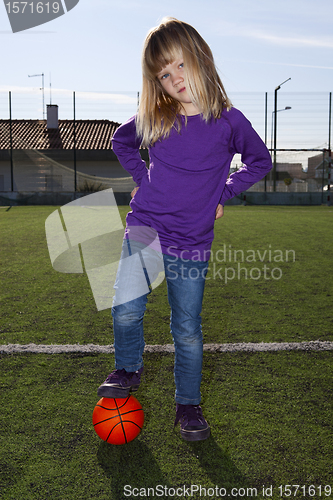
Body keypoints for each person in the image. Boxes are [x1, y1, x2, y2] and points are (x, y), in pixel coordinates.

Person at [98, 17, 272, 441]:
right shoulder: (157, 116)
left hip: (192, 241)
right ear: (155, 82)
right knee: (125, 308)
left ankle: (188, 406)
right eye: (163, 74)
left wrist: (223, 194)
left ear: (200, 59)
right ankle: (128, 369)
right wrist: (143, 179)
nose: (174, 78)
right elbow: (121, 141)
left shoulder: (229, 122)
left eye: (178, 66)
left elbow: (260, 161)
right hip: (146, 227)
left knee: (187, 330)